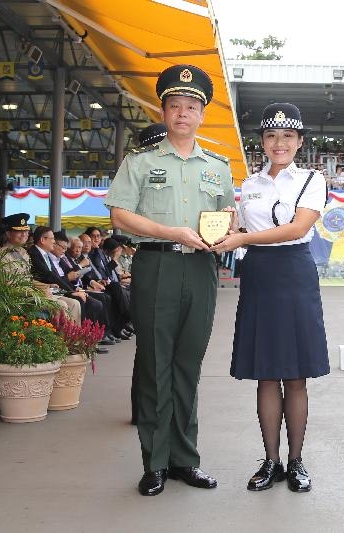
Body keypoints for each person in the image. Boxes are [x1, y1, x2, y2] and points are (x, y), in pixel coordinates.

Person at [105, 63, 236, 497]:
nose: (183, 113)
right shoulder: (140, 163)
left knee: (188, 364)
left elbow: (227, 216)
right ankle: (155, 462)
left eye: (191, 106)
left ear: (202, 114)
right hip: (156, 264)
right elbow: (120, 215)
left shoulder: (217, 166)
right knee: (155, 363)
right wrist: (172, 232)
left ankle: (185, 460)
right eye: (175, 106)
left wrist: (226, 232)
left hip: (201, 268)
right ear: (164, 112)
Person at [211, 103, 329, 493]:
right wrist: (226, 225)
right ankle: (271, 461)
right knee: (265, 373)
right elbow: (238, 226)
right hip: (259, 276)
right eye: (271, 136)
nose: (279, 143)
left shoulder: (313, 179)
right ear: (262, 141)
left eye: (288, 136)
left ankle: (296, 461)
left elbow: (298, 228)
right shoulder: (249, 184)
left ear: (299, 141)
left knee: (295, 375)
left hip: (294, 274)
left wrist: (241, 236)